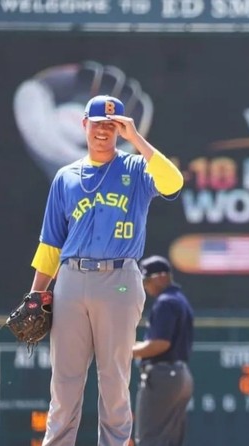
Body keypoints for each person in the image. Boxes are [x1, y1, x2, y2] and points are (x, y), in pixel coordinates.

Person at [27, 95, 184, 446]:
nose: (103, 131)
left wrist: (137, 139)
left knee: (114, 377)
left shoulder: (137, 169)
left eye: (112, 125)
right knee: (64, 380)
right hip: (71, 279)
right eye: (98, 123)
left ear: (121, 129)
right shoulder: (65, 178)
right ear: (84, 125)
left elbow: (174, 183)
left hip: (119, 279)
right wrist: (37, 293)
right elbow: (51, 244)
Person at [132, 255, 194, 446]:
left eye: (147, 281)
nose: (146, 286)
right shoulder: (180, 299)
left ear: (161, 277)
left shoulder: (166, 302)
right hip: (180, 375)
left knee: (149, 440)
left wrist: (124, 350)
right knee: (169, 441)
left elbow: (160, 344)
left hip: (163, 375)